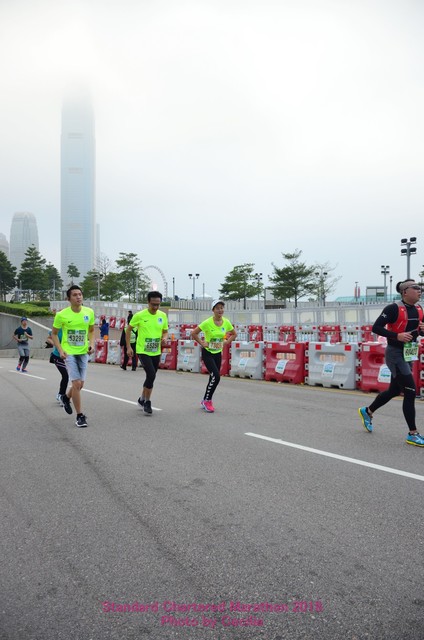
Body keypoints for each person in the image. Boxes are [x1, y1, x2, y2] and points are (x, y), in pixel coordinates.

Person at [358, 279, 424, 447]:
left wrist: (422, 330)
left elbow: (418, 331)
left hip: (408, 353)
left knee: (394, 390)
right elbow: (376, 327)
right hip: (395, 354)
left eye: (420, 287)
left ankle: (368, 411)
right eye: (415, 287)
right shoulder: (393, 308)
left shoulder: (419, 309)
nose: (420, 290)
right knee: (410, 391)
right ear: (405, 292)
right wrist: (396, 336)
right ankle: (413, 434)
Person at [51, 285, 95, 428]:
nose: (78, 297)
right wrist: (60, 349)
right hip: (69, 353)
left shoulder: (89, 312)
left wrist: (91, 344)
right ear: (68, 298)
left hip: (83, 352)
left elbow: (91, 330)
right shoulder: (61, 315)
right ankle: (80, 416)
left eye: (80, 294)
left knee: (80, 385)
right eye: (75, 295)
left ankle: (66, 397)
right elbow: (54, 334)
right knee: (76, 384)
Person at [191, 299, 237, 413]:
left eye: (222, 308)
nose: (220, 310)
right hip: (208, 353)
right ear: (213, 310)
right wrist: (202, 343)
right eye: (217, 308)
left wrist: (227, 342)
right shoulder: (207, 322)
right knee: (216, 376)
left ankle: (205, 400)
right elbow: (194, 333)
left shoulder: (226, 322)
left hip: (218, 353)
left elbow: (234, 334)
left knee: (213, 377)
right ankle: (208, 401)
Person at [126, 291, 168, 415]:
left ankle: (141, 399)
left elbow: (165, 331)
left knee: (151, 376)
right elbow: (128, 330)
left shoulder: (162, 316)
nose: (155, 307)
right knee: (151, 375)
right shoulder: (139, 315)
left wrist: (165, 337)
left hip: (156, 351)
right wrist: (129, 347)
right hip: (143, 350)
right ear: (148, 302)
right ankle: (147, 402)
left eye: (158, 304)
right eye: (153, 304)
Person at [48, 329, 69, 405]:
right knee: (65, 376)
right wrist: (56, 344)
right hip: (57, 356)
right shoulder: (57, 328)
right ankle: (61, 395)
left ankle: (63, 395)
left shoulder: (70, 328)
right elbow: (49, 338)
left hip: (69, 356)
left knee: (72, 378)